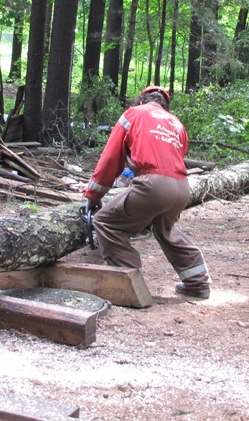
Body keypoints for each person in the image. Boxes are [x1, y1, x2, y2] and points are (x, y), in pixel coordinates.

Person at [83, 86, 212, 299]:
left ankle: (133, 285)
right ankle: (197, 283)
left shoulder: (133, 114)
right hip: (182, 187)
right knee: (164, 228)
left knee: (106, 222)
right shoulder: (176, 123)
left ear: (141, 100)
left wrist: (93, 195)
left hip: (154, 184)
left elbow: (110, 159)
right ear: (165, 104)